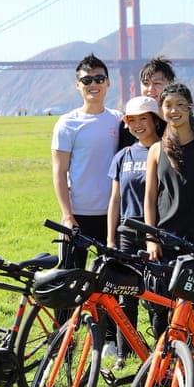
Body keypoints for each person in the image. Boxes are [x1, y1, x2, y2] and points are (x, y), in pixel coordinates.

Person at [51, 53, 122, 351]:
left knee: (108, 280)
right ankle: (62, 343)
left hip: (111, 216)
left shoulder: (119, 120)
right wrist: (67, 215)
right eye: (86, 80)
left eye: (99, 79)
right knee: (67, 282)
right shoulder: (67, 123)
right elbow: (59, 172)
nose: (93, 84)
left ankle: (107, 340)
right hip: (78, 216)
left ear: (108, 83)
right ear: (77, 85)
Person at [144, 83, 194, 337]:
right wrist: (151, 237)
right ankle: (162, 372)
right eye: (168, 106)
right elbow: (149, 197)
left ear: (190, 108)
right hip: (165, 241)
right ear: (161, 110)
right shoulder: (156, 150)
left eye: (180, 105)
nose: (174, 110)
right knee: (162, 308)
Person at [106, 95, 165, 368]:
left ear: (155, 120)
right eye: (132, 120)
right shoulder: (123, 156)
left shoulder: (165, 150)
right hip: (127, 231)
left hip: (155, 230)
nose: (138, 125)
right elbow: (115, 200)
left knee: (157, 296)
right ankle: (124, 353)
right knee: (124, 294)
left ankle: (160, 351)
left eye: (144, 118)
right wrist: (110, 239)